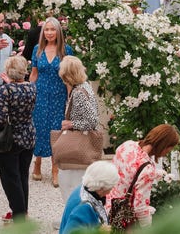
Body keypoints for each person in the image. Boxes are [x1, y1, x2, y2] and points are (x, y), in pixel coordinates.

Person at [0, 55, 36, 223]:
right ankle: (22, 211)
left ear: (8, 72)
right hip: (28, 136)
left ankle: (19, 217)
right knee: (22, 176)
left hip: (10, 140)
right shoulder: (31, 87)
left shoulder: (6, 90)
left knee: (11, 179)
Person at [105, 124, 180, 227]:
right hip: (121, 217)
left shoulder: (127, 145)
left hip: (106, 205)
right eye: (169, 149)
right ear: (164, 145)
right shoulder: (147, 169)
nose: (167, 153)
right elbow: (140, 208)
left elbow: (128, 171)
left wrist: (157, 174)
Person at [30, 17, 73, 187]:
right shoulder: (37, 49)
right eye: (46, 30)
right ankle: (38, 162)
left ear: (58, 32)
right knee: (39, 128)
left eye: (52, 29)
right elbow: (34, 74)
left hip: (58, 95)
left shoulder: (66, 50)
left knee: (57, 131)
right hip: (40, 95)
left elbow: (69, 77)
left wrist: (70, 99)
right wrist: (28, 91)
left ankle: (55, 169)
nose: (49, 33)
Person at [57, 56, 100, 201]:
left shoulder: (79, 93)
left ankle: (72, 218)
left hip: (78, 144)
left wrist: (71, 124)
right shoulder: (85, 86)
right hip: (81, 143)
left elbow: (93, 120)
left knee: (70, 184)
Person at [59, 161, 120, 234]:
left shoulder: (83, 188)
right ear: (101, 188)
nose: (111, 191)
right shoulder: (83, 208)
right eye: (111, 187)